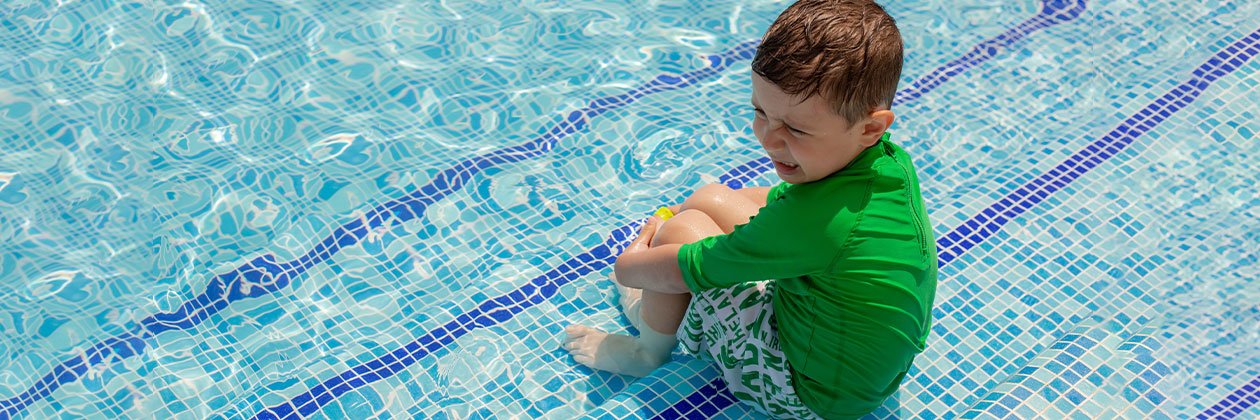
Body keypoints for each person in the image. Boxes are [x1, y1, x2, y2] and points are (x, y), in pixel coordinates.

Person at [562, 0, 937, 418]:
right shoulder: (886, 162)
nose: (768, 139)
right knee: (711, 198)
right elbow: (783, 206)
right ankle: (669, 307)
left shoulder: (824, 226)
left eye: (795, 128)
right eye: (760, 112)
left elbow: (685, 266)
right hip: (858, 369)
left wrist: (632, 260)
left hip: (809, 394)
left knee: (680, 232)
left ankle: (645, 352)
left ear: (869, 127)